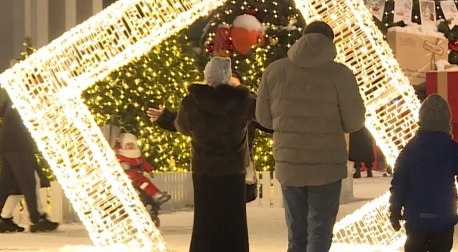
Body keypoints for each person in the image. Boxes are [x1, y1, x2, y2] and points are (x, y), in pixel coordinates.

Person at [256, 21, 366, 252]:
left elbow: (264, 120)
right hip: (326, 167)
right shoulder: (340, 74)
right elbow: (354, 122)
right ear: (330, 42)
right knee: (319, 231)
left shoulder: (275, 71)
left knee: (296, 234)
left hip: (290, 165)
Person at [389, 94, 458, 252]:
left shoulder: (408, 151)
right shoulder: (452, 150)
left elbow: (399, 184)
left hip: (415, 219)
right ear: (446, 120)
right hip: (443, 219)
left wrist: (395, 211)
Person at [173, 56, 252, 252]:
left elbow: (182, 127)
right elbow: (263, 117)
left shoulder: (191, 102)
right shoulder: (243, 101)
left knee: (205, 219)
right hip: (233, 169)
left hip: (203, 169)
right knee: (234, 220)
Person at [0, 86, 59, 233]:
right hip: (19, 142)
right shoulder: (32, 95)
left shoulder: (16, 94)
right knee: (29, 181)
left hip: (9, 141)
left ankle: (4, 218)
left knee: (10, 182)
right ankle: (37, 218)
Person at [114, 132, 171, 205]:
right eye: (128, 144)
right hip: (129, 177)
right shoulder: (121, 156)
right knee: (142, 185)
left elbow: (144, 163)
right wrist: (122, 165)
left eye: (132, 144)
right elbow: (117, 163)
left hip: (139, 175)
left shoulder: (138, 155)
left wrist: (149, 170)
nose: (130, 146)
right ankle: (147, 196)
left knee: (146, 183)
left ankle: (156, 194)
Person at [0, 162, 50, 233]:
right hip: (19, 151)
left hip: (12, 151)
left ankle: (5, 218)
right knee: (30, 178)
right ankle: (38, 218)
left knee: (11, 178)